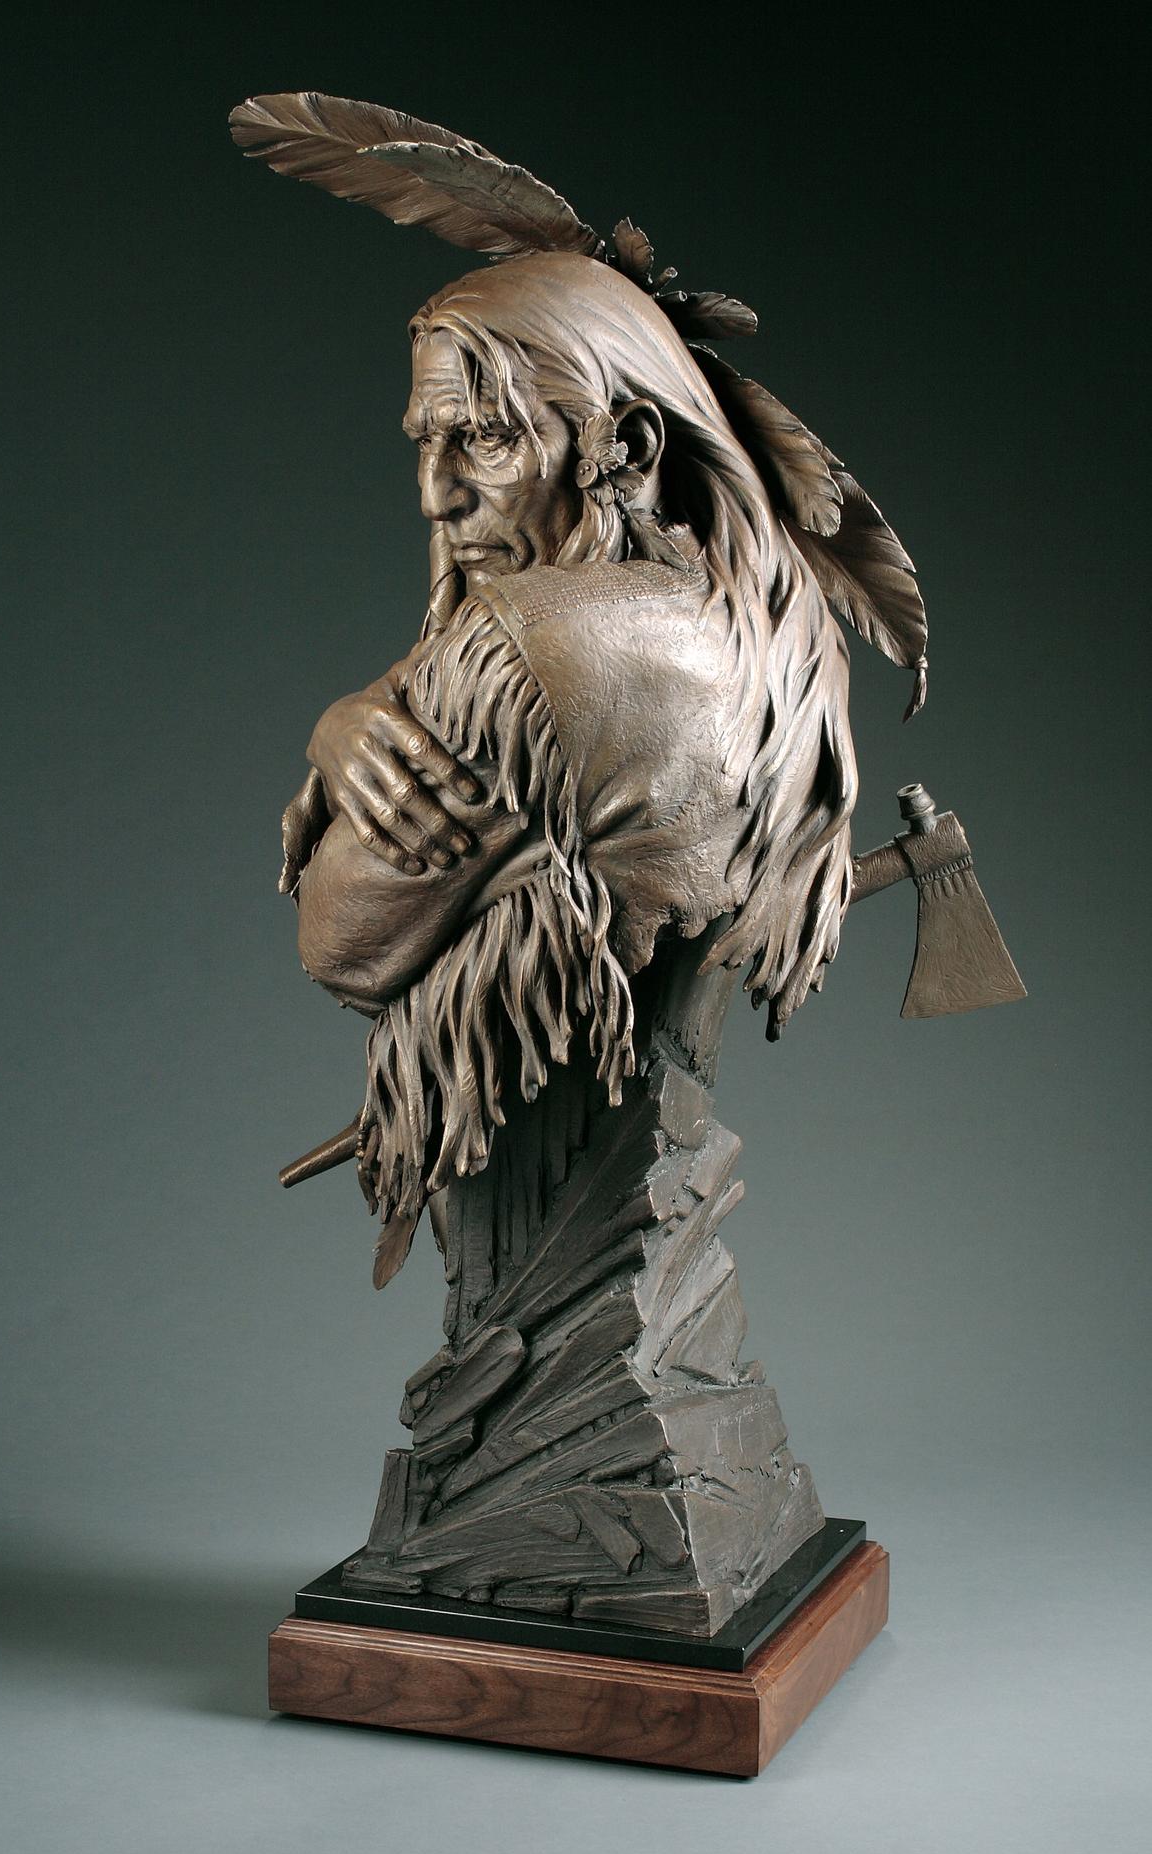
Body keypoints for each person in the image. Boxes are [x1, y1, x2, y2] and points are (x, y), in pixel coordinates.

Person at [279, 251, 858, 1240]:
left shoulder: (528, 656)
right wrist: (352, 719)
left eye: (486, 438)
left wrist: (391, 712)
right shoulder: (750, 629)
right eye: (427, 442)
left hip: (557, 1206)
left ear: (624, 445)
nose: (435, 496)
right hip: (633, 1161)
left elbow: (340, 943)